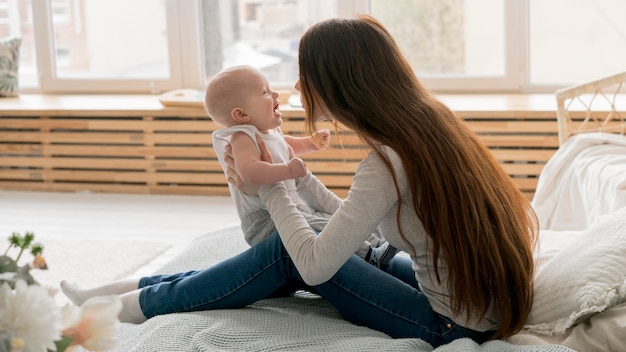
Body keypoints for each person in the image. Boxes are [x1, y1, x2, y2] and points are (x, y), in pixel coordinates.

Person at [60, 15, 538, 348]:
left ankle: (134, 303)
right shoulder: (428, 123)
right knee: (342, 246)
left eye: (304, 75)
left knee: (289, 251)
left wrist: (270, 185)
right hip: (483, 304)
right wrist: (293, 175)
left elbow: (312, 265)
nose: (296, 88)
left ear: (338, 84)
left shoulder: (386, 162)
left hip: (452, 325)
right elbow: (356, 223)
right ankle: (130, 291)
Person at [206, 64, 396, 265]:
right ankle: (369, 254)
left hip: (293, 208)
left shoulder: (269, 133)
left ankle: (376, 238)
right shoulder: (242, 138)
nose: (275, 94)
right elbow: (248, 172)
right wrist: (287, 170)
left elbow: (285, 145)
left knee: (330, 220)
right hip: (267, 223)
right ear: (242, 115)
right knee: (323, 232)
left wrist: (309, 143)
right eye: (265, 92)